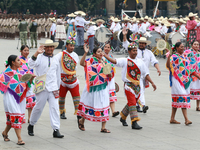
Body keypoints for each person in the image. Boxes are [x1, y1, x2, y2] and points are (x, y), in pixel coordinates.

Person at [103, 41, 156, 130]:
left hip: (138, 86)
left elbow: (145, 74)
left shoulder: (140, 62)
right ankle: (134, 122)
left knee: (131, 103)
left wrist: (152, 83)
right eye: (133, 50)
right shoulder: (125, 60)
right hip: (128, 86)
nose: (135, 52)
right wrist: (105, 56)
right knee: (132, 103)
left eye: (136, 50)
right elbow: (114, 61)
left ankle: (123, 117)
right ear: (129, 51)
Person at [27, 40, 64, 138]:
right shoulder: (39, 57)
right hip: (41, 87)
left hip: (53, 88)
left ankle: (56, 129)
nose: (49, 49)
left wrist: (58, 87)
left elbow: (57, 74)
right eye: (47, 47)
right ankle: (31, 124)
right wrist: (36, 53)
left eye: (51, 47)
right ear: (44, 48)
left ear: (54, 48)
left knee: (55, 108)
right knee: (38, 107)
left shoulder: (56, 59)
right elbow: (29, 65)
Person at [0, 55, 35, 145]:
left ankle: (5, 133)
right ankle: (19, 139)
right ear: (13, 62)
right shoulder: (7, 72)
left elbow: (27, 84)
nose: (20, 62)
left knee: (13, 119)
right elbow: (2, 83)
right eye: (18, 60)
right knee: (16, 116)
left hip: (20, 97)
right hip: (10, 96)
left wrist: (31, 78)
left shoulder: (22, 71)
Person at [123, 33, 161, 113]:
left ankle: (137, 106)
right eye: (140, 43)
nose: (141, 44)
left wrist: (158, 69)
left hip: (145, 75)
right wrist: (124, 36)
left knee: (140, 90)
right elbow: (126, 45)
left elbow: (154, 61)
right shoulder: (135, 50)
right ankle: (142, 105)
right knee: (140, 91)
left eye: (143, 43)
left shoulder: (149, 52)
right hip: (135, 76)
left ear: (145, 44)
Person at [77, 45, 110, 133]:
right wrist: (85, 53)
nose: (100, 53)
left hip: (103, 86)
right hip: (92, 87)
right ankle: (82, 121)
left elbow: (108, 73)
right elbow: (81, 63)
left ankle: (103, 127)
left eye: (101, 51)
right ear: (94, 54)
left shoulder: (104, 61)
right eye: (98, 52)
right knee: (88, 102)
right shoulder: (90, 60)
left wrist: (109, 72)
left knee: (105, 104)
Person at [166, 42, 200, 125]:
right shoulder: (173, 57)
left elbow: (189, 69)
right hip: (177, 80)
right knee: (183, 97)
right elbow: (169, 66)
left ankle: (172, 118)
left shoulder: (185, 57)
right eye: (181, 47)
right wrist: (168, 57)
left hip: (186, 80)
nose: (183, 48)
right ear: (177, 48)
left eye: (183, 47)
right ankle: (186, 119)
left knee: (177, 99)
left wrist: (197, 76)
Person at [56, 32, 81, 120]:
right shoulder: (61, 54)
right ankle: (62, 112)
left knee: (77, 97)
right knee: (61, 97)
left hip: (73, 79)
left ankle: (78, 113)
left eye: (73, 46)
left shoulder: (75, 55)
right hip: (63, 79)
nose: (72, 47)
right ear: (66, 45)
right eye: (70, 46)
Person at [19, 45, 36, 123]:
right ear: (21, 51)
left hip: (30, 81)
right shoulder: (18, 60)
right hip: (22, 82)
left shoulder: (29, 60)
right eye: (25, 50)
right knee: (22, 100)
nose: (26, 52)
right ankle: (21, 116)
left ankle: (30, 117)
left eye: (27, 50)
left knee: (30, 99)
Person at [104, 43, 119, 117]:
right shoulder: (101, 56)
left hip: (111, 79)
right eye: (105, 47)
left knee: (111, 96)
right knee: (104, 95)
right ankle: (105, 111)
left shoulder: (111, 57)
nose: (106, 48)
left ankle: (113, 111)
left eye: (108, 47)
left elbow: (113, 68)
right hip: (104, 79)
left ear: (110, 49)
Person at [184, 41, 200, 111]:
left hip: (198, 74)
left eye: (197, 44)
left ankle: (198, 106)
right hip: (191, 74)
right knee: (188, 90)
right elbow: (183, 57)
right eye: (195, 44)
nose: (196, 46)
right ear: (192, 45)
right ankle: (185, 105)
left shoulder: (199, 54)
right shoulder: (188, 52)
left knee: (199, 90)